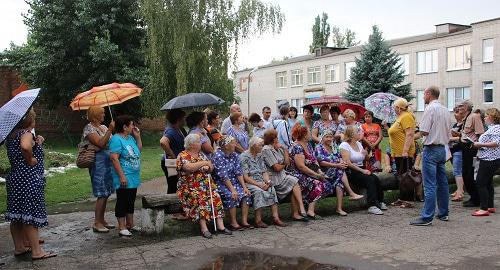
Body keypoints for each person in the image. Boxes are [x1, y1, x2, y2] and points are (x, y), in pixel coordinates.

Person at [5, 109, 57, 260]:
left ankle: (20, 247)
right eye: (34, 118)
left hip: (15, 179)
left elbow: (26, 146)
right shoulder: (26, 134)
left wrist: (37, 142)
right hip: (29, 178)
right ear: (29, 120)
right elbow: (25, 147)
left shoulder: (12, 135)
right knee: (30, 215)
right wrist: (31, 159)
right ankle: (37, 251)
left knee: (17, 215)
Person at [176, 134, 232, 238]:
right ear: (192, 144)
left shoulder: (201, 155)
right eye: (198, 141)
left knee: (216, 196)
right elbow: (189, 168)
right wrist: (203, 164)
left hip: (206, 185)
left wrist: (207, 166)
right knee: (200, 198)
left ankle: (221, 226)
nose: (200, 143)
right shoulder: (182, 155)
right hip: (189, 186)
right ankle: (204, 228)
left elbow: (211, 167)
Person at [410, 86, 451, 226]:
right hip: (442, 148)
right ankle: (443, 213)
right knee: (443, 183)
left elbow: (425, 131)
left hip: (431, 148)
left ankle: (427, 216)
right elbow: (448, 132)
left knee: (430, 185)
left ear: (428, 94)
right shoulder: (445, 110)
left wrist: (416, 131)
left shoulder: (430, 109)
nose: (423, 97)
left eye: (423, 95)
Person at [261, 129, 309, 222]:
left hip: (282, 176)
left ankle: (297, 213)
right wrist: (282, 165)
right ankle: (302, 209)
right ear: (272, 138)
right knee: (294, 181)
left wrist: (284, 149)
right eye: (276, 137)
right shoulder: (266, 149)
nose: (277, 138)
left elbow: (287, 163)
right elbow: (277, 168)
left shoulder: (277, 148)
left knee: (294, 184)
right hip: (274, 179)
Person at [81, 106, 115, 233]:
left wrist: (110, 131)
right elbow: (100, 143)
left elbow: (110, 143)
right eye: (102, 113)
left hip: (108, 163)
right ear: (95, 115)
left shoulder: (104, 127)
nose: (104, 115)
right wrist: (110, 130)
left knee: (106, 192)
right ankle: (96, 222)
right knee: (101, 191)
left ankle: (102, 220)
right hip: (98, 164)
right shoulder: (89, 128)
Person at [287, 124, 332, 219]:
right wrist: (316, 175)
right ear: (304, 135)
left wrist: (319, 172)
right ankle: (310, 211)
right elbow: (301, 167)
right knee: (318, 183)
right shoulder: (297, 146)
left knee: (327, 184)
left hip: (309, 172)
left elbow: (314, 160)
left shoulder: (308, 145)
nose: (311, 134)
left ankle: (309, 208)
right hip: (297, 175)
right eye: (309, 132)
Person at [240, 137, 287, 227]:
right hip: (250, 182)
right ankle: (258, 220)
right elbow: (245, 177)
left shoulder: (259, 155)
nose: (262, 147)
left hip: (260, 181)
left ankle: (275, 217)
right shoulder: (244, 157)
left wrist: (267, 181)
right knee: (259, 192)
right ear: (254, 146)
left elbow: (264, 171)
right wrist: (259, 185)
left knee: (271, 189)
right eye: (260, 145)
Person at [315, 130, 364, 216]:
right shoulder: (319, 147)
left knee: (339, 183)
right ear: (322, 138)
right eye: (327, 137)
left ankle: (339, 208)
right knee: (340, 170)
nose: (329, 139)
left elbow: (339, 157)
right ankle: (351, 193)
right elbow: (321, 162)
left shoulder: (334, 146)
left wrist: (342, 163)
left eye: (331, 137)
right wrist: (336, 165)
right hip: (324, 172)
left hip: (336, 171)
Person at [340, 126, 386, 215]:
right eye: (358, 132)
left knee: (376, 178)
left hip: (361, 169)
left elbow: (366, 159)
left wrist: (366, 155)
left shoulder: (358, 143)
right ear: (352, 134)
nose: (360, 134)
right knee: (370, 180)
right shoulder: (344, 145)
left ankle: (380, 201)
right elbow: (348, 163)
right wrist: (362, 171)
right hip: (350, 171)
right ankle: (371, 205)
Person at [109, 115, 142, 236]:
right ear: (124, 127)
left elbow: (138, 151)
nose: (133, 126)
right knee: (122, 200)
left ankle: (130, 224)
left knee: (131, 200)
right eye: (131, 124)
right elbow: (114, 158)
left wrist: (138, 137)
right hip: (124, 175)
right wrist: (122, 176)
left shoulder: (129, 138)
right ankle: (122, 226)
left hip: (133, 176)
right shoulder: (116, 139)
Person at [211, 135, 252, 231]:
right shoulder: (218, 156)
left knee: (246, 194)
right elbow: (223, 176)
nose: (235, 145)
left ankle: (244, 221)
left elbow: (239, 172)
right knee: (231, 195)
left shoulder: (234, 155)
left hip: (234, 182)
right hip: (221, 183)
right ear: (226, 145)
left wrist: (244, 187)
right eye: (233, 143)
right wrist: (233, 190)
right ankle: (233, 223)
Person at [387, 98, 417, 207]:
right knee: (402, 176)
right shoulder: (400, 117)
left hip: (404, 153)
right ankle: (402, 198)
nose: (393, 108)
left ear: (399, 107)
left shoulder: (407, 116)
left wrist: (405, 151)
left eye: (394, 107)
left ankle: (409, 200)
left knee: (406, 176)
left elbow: (409, 134)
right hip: (398, 153)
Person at [471, 108, 500, 216]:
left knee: (480, 182)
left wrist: (480, 144)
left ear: (492, 117)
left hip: (490, 159)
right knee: (488, 182)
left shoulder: (496, 128)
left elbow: (496, 143)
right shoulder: (492, 128)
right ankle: (490, 205)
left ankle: (484, 208)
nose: (485, 118)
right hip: (488, 157)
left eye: (487, 116)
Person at [459, 100, 485, 207]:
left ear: (466, 107)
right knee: (465, 173)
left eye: (461, 106)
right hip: (465, 148)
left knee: (470, 173)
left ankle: (476, 198)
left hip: (472, 149)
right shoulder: (465, 118)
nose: (458, 108)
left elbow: (480, 133)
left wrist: (478, 147)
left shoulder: (474, 117)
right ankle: (473, 197)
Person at [160, 109, 187, 194]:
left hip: (175, 161)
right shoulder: (171, 130)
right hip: (171, 162)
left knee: (177, 185)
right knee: (173, 186)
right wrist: (172, 155)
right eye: (183, 118)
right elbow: (163, 142)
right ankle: (169, 206)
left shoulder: (179, 129)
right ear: (178, 119)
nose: (184, 120)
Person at [449, 106, 465, 202]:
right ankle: (459, 189)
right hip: (453, 150)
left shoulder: (463, 125)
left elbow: (463, 137)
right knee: (456, 171)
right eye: (454, 112)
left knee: (457, 171)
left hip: (459, 150)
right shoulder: (456, 124)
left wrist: (451, 138)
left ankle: (460, 191)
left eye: (457, 112)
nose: (455, 114)